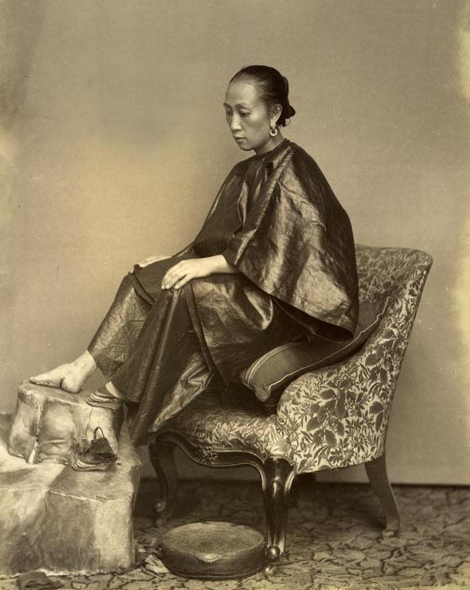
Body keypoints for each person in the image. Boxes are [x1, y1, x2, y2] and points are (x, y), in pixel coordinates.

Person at [29, 65, 359, 446]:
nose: (234, 124)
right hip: (244, 292)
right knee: (144, 280)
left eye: (244, 112)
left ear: (274, 114)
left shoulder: (296, 170)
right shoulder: (245, 170)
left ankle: (116, 395)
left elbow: (282, 255)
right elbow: (219, 241)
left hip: (277, 312)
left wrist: (203, 266)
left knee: (186, 292)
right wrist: (174, 259)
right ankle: (79, 368)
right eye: (227, 113)